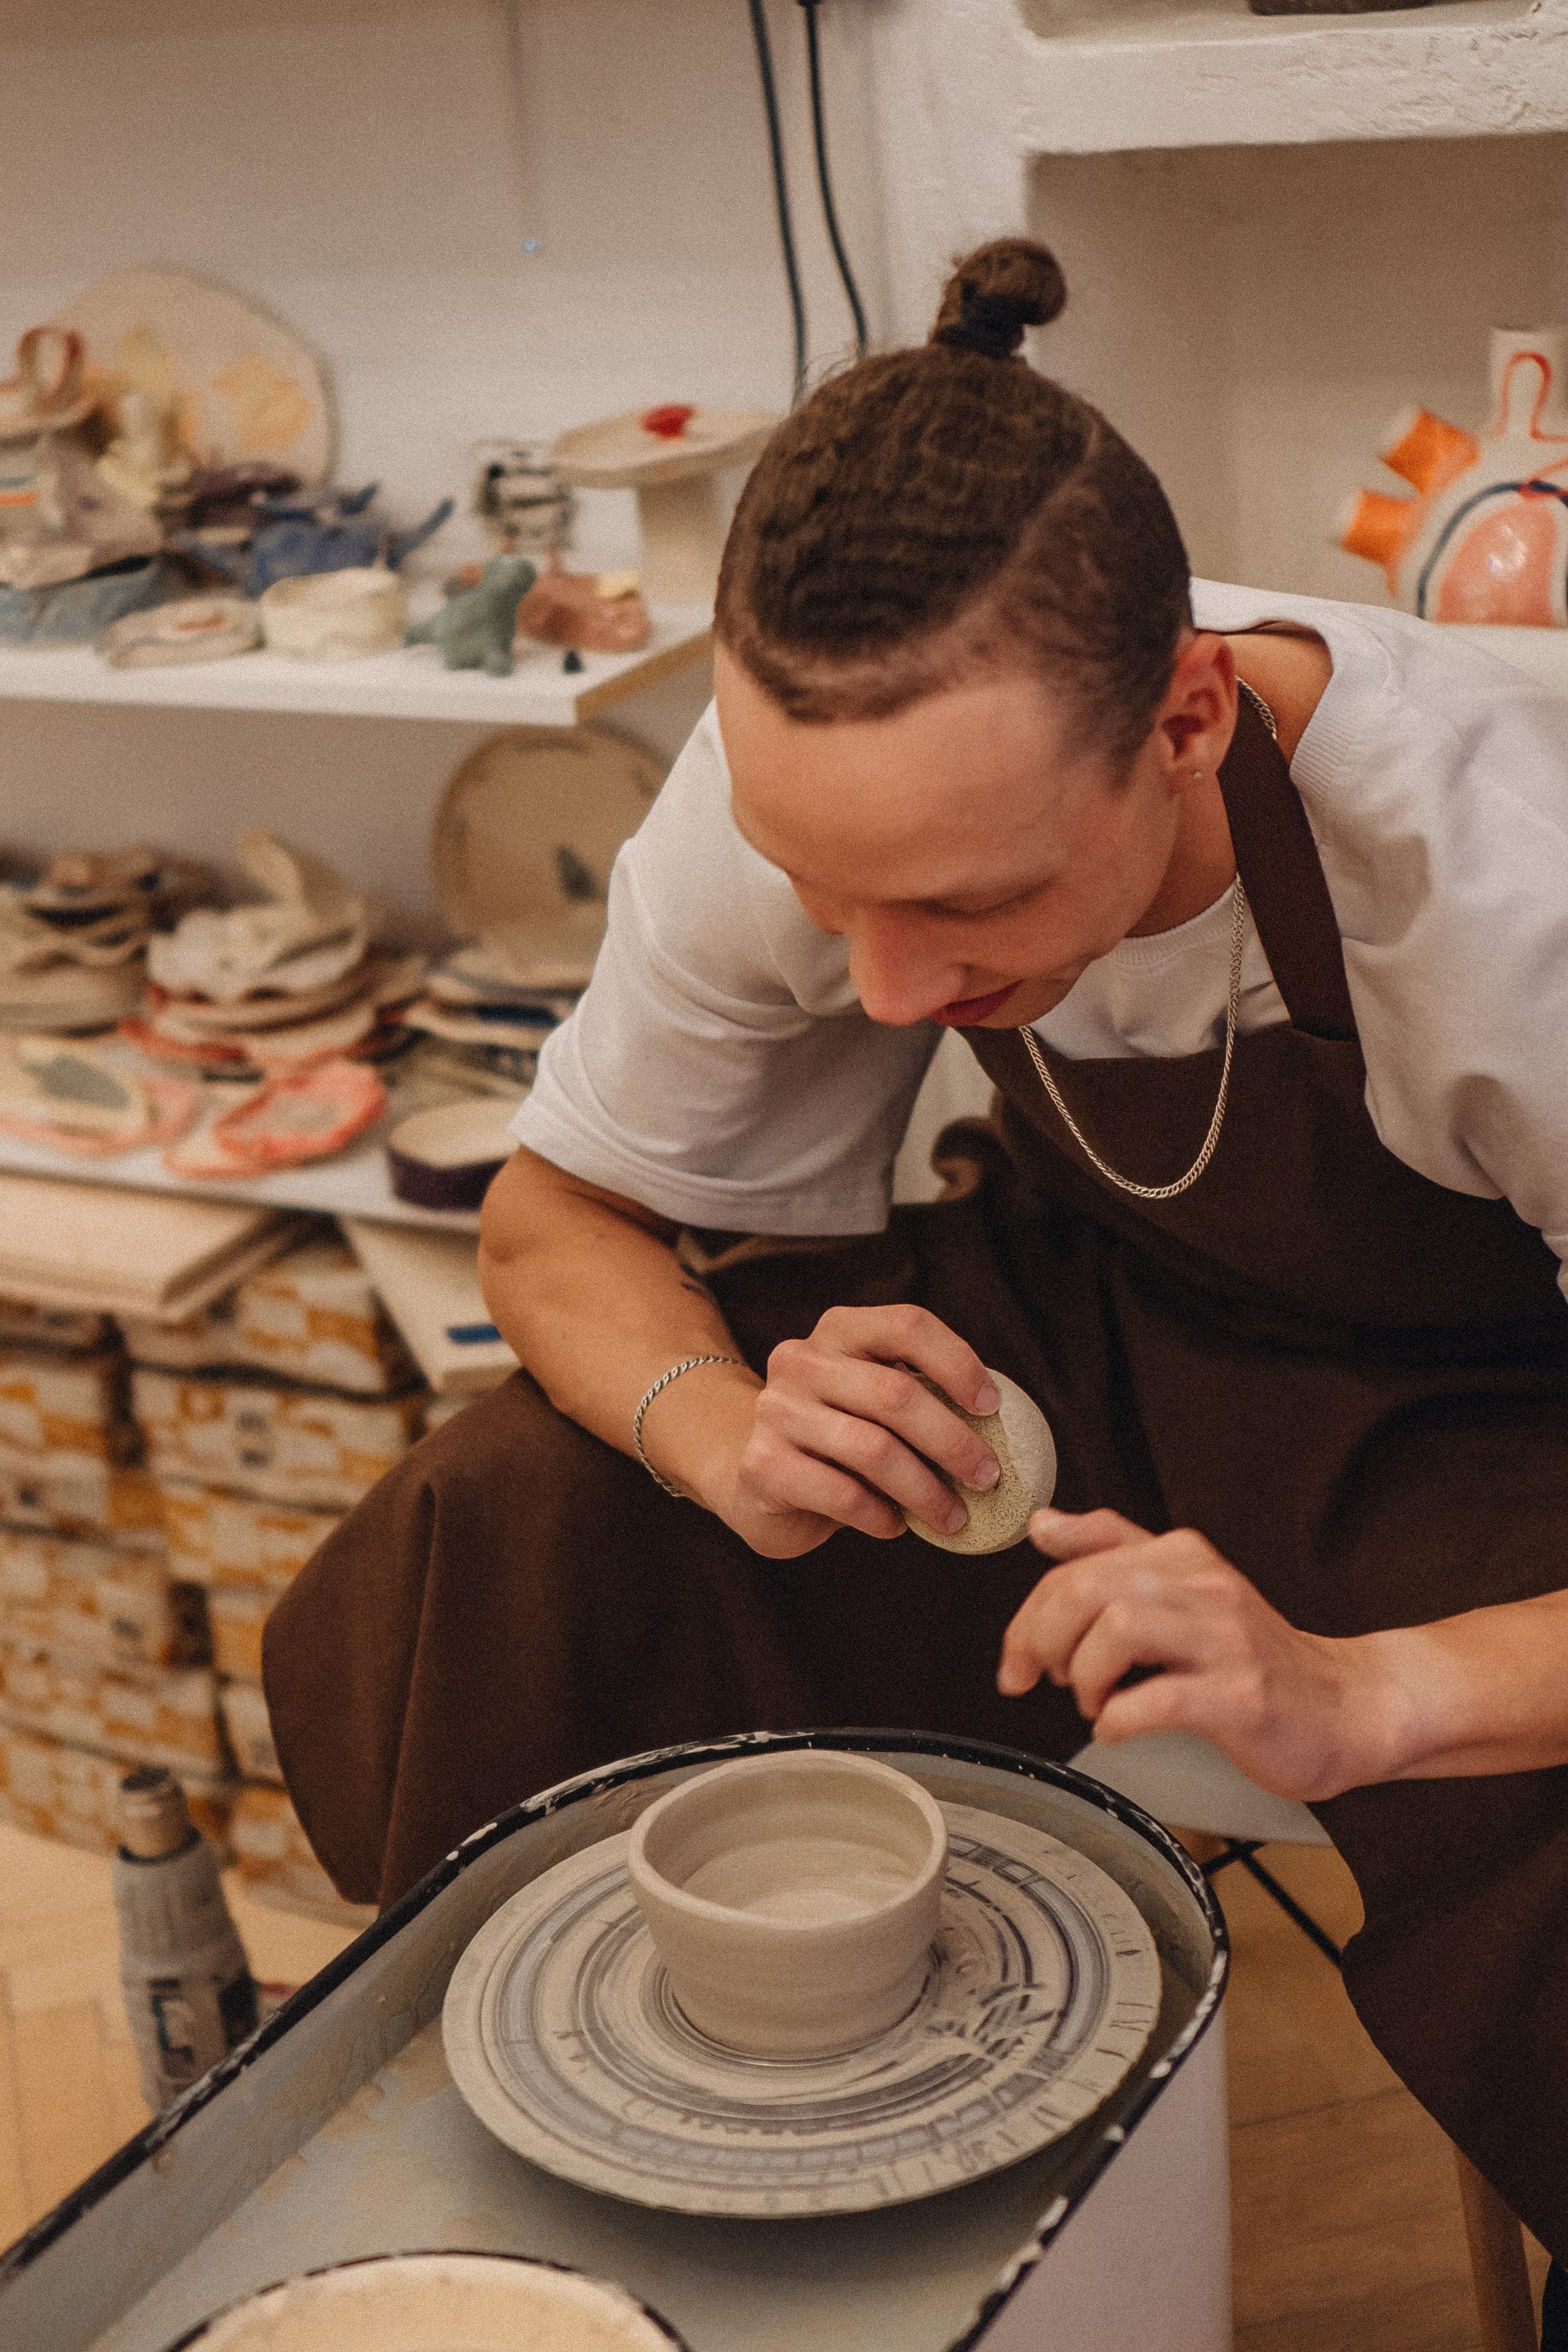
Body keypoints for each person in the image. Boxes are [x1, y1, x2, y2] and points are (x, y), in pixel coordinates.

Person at [265, 241, 1568, 2275]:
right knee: (522, 1524)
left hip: (1490, 1415)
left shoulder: (1506, 882)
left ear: (1188, 718)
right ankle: (543, 2219)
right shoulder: (810, 778)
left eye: (966, 906)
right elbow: (554, 1223)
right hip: (1093, 1313)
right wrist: (722, 1430)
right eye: (823, 896)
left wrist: (1364, 1695)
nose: (881, 992)